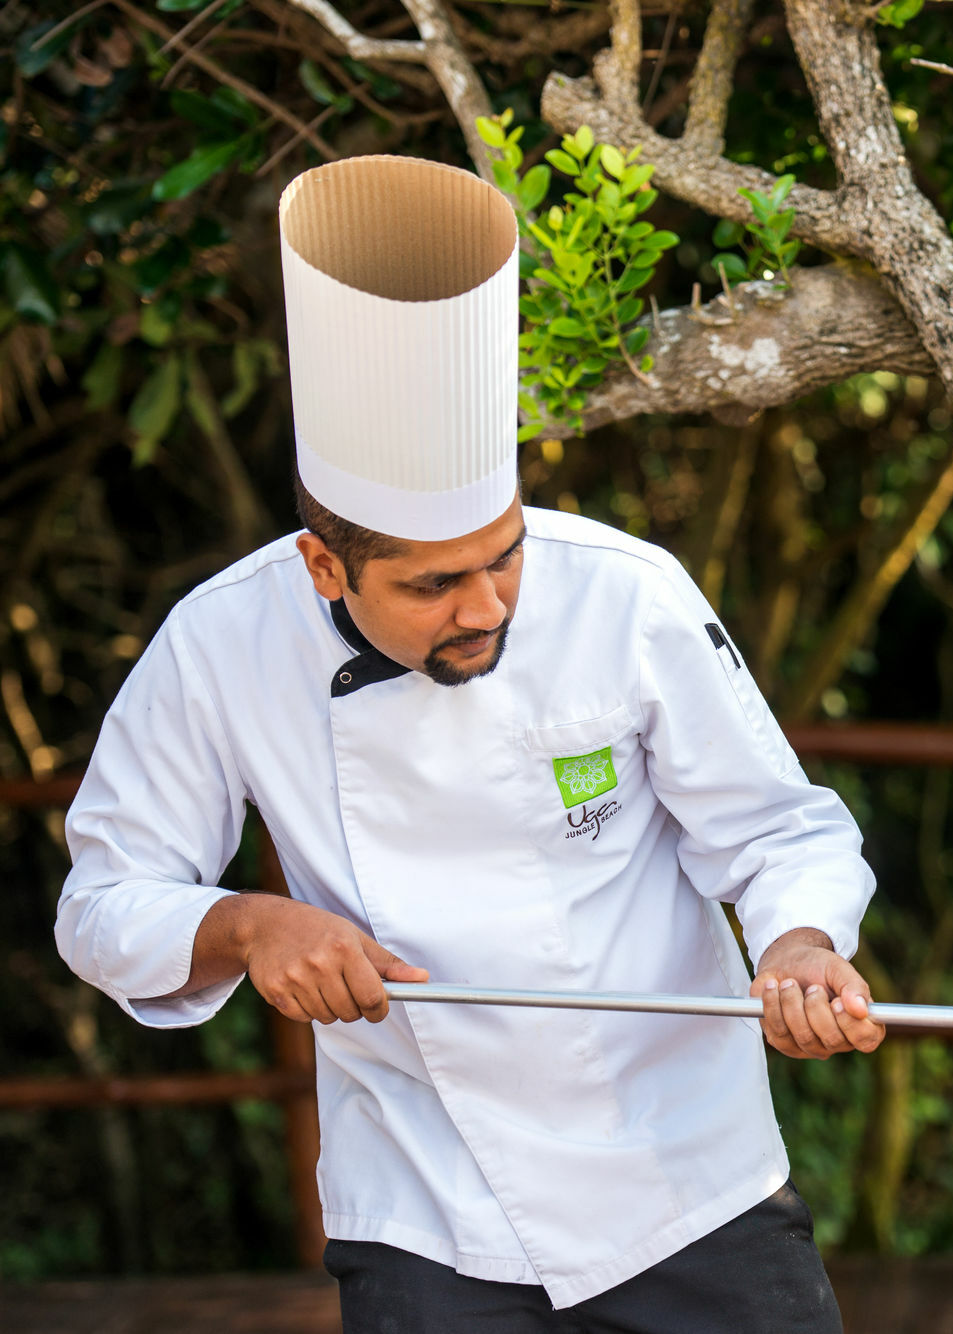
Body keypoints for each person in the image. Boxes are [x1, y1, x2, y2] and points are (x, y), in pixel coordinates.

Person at [53, 154, 881, 1333]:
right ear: (325, 566)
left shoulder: (627, 594)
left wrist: (799, 940)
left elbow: (776, 828)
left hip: (684, 1182)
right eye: (435, 582)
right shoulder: (219, 644)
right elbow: (98, 907)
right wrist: (246, 923)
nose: (488, 604)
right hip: (425, 1206)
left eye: (504, 555)